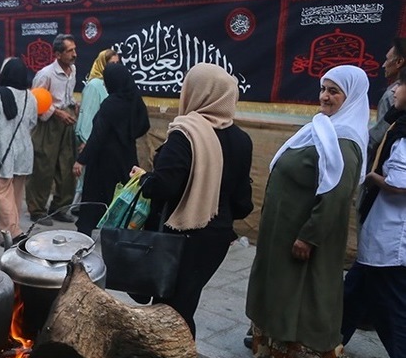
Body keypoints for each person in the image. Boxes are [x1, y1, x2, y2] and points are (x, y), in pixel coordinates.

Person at [246, 65, 369, 358]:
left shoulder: (345, 141)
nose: (325, 97)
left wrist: (308, 236)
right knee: (281, 290)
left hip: (304, 237)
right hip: (285, 230)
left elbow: (337, 196)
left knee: (302, 298)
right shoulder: (322, 128)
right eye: (323, 89)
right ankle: (272, 348)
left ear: (351, 97)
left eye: (334, 91)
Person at [132, 63, 252, 335]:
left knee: (170, 312)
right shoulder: (241, 139)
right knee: (184, 303)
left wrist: (144, 178)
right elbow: (243, 201)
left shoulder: (185, 133)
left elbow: (164, 187)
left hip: (181, 238)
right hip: (217, 238)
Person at [340, 67, 406, 358]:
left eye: (401, 85)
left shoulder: (405, 131)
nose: (394, 90)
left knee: (391, 299)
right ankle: (330, 341)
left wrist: (371, 176)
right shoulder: (397, 121)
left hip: (393, 232)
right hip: (382, 230)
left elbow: (399, 182)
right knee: (355, 290)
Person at [72, 63, 149, 236]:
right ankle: (119, 236)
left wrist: (81, 160)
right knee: (121, 198)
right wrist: (127, 135)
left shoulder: (111, 104)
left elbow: (98, 135)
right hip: (127, 158)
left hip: (104, 161)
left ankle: (83, 237)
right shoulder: (135, 100)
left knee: (93, 199)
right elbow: (144, 125)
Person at [0, 58, 38, 238]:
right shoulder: (31, 96)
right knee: (16, 194)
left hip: (3, 151)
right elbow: (33, 122)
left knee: (1, 192)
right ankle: (4, 227)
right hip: (25, 152)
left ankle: (12, 232)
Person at [26, 34, 79, 225]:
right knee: (43, 167)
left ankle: (59, 207)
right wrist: (57, 113)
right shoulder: (45, 74)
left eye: (74, 49)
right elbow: (36, 101)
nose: (74, 54)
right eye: (69, 51)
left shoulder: (72, 70)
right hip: (48, 124)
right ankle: (37, 209)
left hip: (66, 122)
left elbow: (66, 95)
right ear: (57, 54)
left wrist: (73, 105)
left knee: (67, 166)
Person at [368, 38, 406, 150]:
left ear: (399, 62)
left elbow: (378, 138)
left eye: (387, 60)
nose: (384, 65)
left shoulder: (392, 95)